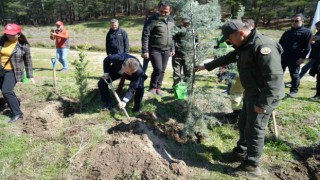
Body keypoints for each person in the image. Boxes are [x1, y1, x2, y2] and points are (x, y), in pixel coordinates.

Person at [195, 20, 285, 177]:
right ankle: (241, 152)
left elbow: (274, 79)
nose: (229, 42)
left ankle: (251, 167)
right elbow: (229, 57)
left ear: (241, 33)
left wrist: (263, 103)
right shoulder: (243, 45)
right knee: (243, 123)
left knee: (255, 130)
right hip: (251, 93)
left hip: (264, 96)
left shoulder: (263, 47)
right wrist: (207, 66)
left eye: (229, 39)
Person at [0, 23, 35, 123]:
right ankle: (15, 101)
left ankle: (17, 113)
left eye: (12, 34)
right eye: (7, 34)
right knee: (7, 91)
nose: (9, 36)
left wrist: (30, 75)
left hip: (13, 72)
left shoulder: (24, 46)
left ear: (18, 34)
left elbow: (28, 61)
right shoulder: (1, 41)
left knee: (6, 91)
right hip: (1, 69)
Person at [141, 2, 175, 96]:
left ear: (170, 11)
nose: (163, 13)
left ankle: (158, 88)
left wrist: (172, 48)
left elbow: (173, 35)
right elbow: (145, 35)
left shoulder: (171, 20)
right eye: (161, 11)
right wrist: (145, 50)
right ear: (159, 9)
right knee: (158, 69)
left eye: (166, 12)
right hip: (154, 49)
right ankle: (152, 87)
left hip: (167, 49)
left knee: (163, 69)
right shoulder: (152, 19)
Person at [279, 13, 312, 97]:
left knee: (294, 74)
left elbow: (307, 47)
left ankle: (293, 91)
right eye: (292, 20)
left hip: (295, 58)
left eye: (296, 21)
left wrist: (302, 58)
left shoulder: (307, 32)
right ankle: (278, 88)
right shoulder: (287, 32)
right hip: (283, 56)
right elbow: (280, 44)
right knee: (278, 73)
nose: (294, 22)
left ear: (302, 21)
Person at [105, 18, 129, 93]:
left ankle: (120, 87)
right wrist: (108, 53)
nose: (114, 26)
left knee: (123, 70)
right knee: (115, 69)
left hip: (122, 55)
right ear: (110, 25)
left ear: (118, 24)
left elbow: (126, 43)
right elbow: (107, 44)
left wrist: (126, 53)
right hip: (113, 55)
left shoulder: (122, 32)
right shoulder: (109, 33)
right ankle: (109, 81)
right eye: (112, 25)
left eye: (115, 25)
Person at [172, 19, 194, 88]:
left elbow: (196, 41)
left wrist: (194, 52)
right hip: (177, 54)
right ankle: (176, 87)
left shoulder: (193, 30)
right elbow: (172, 39)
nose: (187, 22)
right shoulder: (177, 28)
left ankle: (187, 87)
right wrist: (173, 49)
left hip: (189, 54)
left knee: (188, 72)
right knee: (176, 72)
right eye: (185, 20)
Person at [308, 21, 320, 100]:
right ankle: (318, 94)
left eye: (318, 26)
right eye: (316, 26)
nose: (316, 28)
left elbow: (314, 40)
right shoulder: (318, 33)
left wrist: (314, 42)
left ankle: (318, 95)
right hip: (317, 58)